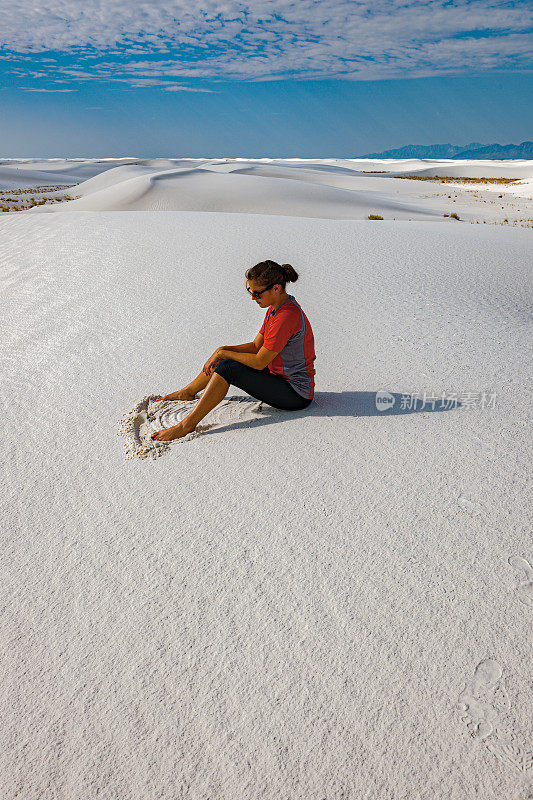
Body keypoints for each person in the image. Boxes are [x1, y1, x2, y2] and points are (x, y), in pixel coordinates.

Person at [151, 260, 316, 442]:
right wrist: (221, 350)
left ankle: (186, 425)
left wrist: (223, 354)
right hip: (277, 375)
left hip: (295, 394)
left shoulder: (286, 317)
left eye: (257, 293)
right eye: (251, 292)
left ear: (276, 289)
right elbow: (255, 346)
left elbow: (260, 361)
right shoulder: (275, 309)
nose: (253, 298)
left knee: (227, 367)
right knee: (224, 359)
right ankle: (188, 392)